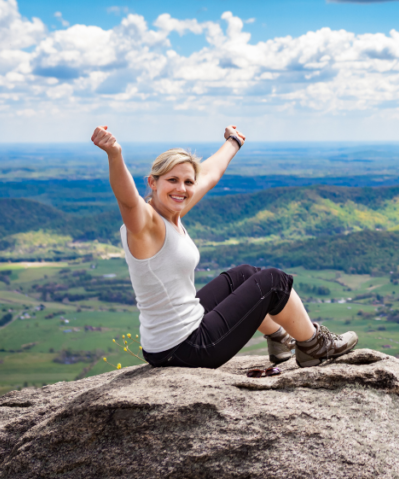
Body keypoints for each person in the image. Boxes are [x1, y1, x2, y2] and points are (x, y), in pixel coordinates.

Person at [91, 124, 357, 370]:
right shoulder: (145, 225)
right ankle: (314, 345)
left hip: (167, 342)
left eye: (187, 182)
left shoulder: (171, 214)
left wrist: (234, 141)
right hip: (187, 347)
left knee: (244, 274)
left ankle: (279, 338)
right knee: (273, 281)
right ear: (152, 182)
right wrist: (114, 154)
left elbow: (210, 174)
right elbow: (127, 201)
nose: (181, 188)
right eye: (172, 180)